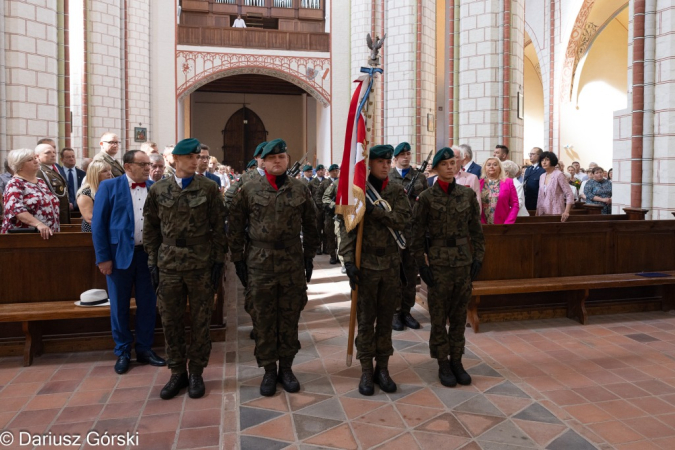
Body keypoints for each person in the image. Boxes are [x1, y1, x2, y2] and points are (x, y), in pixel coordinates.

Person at [228, 139, 318, 397]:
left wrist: (309, 258)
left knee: (289, 316)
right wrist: (238, 260)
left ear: (287, 160)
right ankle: (269, 370)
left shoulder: (300, 188)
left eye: (282, 156)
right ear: (263, 162)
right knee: (263, 318)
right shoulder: (248, 188)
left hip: (291, 261)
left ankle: (287, 368)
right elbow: (235, 226)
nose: (278, 161)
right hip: (259, 262)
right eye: (272, 158)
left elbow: (311, 225)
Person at [143, 138, 226, 400]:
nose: (196, 160)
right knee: (171, 321)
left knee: (201, 321)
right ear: (175, 160)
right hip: (168, 264)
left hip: (200, 264)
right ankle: (177, 371)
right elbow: (151, 228)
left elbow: (217, 227)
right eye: (190, 157)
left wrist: (218, 261)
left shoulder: (209, 188)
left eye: (198, 156)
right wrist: (152, 262)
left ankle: (197, 372)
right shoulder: (159, 190)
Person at [410, 147, 485, 387]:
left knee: (459, 314)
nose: (450, 167)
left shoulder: (467, 195)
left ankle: (457, 360)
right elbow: (417, 235)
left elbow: (476, 231)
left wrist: (478, 258)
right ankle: (443, 361)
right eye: (445, 164)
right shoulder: (427, 198)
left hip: (462, 262)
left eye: (453, 163)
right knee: (439, 316)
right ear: (436, 168)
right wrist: (423, 266)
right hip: (439, 264)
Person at [340, 144, 410, 396]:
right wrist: (348, 262)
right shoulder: (358, 191)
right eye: (380, 161)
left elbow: (403, 220)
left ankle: (383, 367)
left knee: (386, 320)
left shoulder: (394, 189)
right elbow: (347, 229)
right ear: (368, 163)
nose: (385, 165)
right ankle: (366, 369)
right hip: (366, 264)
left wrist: (376, 212)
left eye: (388, 161)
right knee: (366, 320)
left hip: (390, 264)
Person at [91, 150, 166, 375]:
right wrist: (103, 258)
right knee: (119, 306)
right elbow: (98, 225)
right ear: (127, 167)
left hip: (148, 256)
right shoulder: (109, 187)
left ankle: (144, 349)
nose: (147, 168)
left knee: (147, 304)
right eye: (142, 164)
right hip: (118, 256)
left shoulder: (155, 188)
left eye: (148, 164)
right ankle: (123, 350)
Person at [389, 142, 427, 331]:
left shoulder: (419, 177)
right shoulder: (388, 177)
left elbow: (425, 203)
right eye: (402, 154)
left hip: (413, 234)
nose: (406, 157)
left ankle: (406, 310)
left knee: (411, 275)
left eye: (408, 154)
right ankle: (395, 312)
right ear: (395, 158)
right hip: (394, 233)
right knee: (395, 273)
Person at [1, 148, 60, 238]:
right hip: (26, 236)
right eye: (30, 160)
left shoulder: (40, 181)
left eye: (35, 158)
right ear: (19, 165)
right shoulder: (14, 184)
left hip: (48, 233)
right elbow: (17, 210)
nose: (36, 161)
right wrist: (38, 224)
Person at [35, 143, 70, 225]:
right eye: (48, 152)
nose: (53, 155)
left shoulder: (54, 170)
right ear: (37, 156)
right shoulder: (39, 172)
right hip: (51, 217)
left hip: (61, 215)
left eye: (54, 152)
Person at [536, 151, 574, 221]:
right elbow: (540, 195)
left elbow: (569, 194)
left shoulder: (558, 175)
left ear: (552, 161)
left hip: (556, 210)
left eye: (547, 160)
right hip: (542, 211)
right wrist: (537, 211)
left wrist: (566, 212)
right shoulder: (542, 176)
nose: (544, 162)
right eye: (542, 160)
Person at [479, 157, 519, 225]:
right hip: (482, 224)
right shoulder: (478, 183)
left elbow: (515, 204)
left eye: (495, 164)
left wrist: (508, 222)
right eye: (488, 165)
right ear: (484, 168)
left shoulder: (508, 182)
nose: (491, 166)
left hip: (503, 224)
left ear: (500, 168)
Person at [76, 160, 112, 232]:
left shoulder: (109, 190)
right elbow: (90, 218)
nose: (110, 173)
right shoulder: (85, 194)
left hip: (109, 229)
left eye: (110, 170)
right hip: (93, 231)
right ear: (95, 174)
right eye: (105, 171)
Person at [318, 164, 340, 264]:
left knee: (340, 236)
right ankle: (332, 255)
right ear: (330, 172)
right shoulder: (325, 183)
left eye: (337, 170)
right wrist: (328, 207)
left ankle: (340, 255)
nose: (335, 172)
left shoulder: (342, 182)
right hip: (329, 213)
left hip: (340, 214)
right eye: (334, 171)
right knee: (330, 235)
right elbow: (320, 197)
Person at [58, 147, 86, 212]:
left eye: (73, 156)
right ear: (62, 159)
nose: (71, 159)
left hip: (80, 207)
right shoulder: (58, 173)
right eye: (68, 157)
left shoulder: (82, 174)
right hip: (64, 208)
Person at [309, 164, 326, 253]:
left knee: (326, 228)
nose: (320, 171)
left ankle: (326, 248)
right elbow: (309, 195)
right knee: (318, 228)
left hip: (326, 208)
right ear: (317, 171)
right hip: (317, 208)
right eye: (319, 170)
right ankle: (318, 247)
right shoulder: (312, 182)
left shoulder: (327, 181)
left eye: (322, 170)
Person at [523, 147, 545, 211]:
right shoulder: (528, 168)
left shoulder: (543, 169)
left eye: (533, 154)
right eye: (530, 154)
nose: (530, 156)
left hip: (536, 200)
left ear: (539, 156)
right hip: (527, 199)